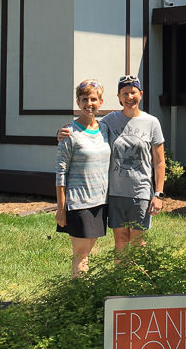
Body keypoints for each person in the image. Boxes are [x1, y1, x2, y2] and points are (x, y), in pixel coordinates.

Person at [61, 74, 166, 259]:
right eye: (124, 93)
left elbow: (159, 161)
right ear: (119, 97)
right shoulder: (109, 121)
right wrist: (63, 132)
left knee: (138, 243)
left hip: (140, 193)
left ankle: (137, 284)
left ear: (140, 94)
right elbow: (88, 127)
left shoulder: (152, 122)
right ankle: (119, 284)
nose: (129, 97)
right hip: (115, 193)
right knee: (120, 242)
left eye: (133, 92)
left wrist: (158, 194)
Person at [54, 79, 110, 278]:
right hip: (79, 203)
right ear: (78, 102)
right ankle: (78, 297)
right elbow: (60, 173)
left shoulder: (105, 129)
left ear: (101, 102)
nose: (89, 103)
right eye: (84, 99)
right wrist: (61, 209)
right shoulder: (69, 133)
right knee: (80, 254)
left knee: (88, 252)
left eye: (93, 99)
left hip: (101, 201)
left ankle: (84, 295)